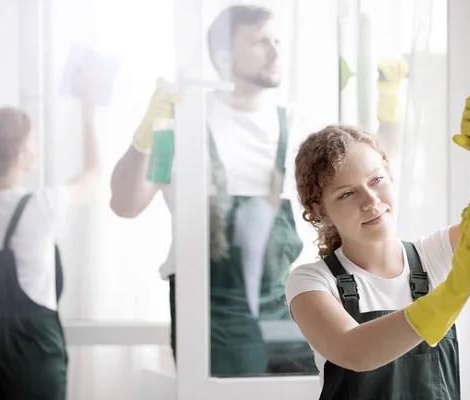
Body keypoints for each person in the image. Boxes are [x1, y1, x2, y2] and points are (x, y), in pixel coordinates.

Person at [110, 4, 408, 377]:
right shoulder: (183, 123)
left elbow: (375, 164)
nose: (274, 50)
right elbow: (125, 203)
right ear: (223, 56)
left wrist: (391, 109)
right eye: (258, 42)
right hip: (211, 308)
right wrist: (145, 138)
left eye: (277, 40)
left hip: (281, 301)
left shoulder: (295, 124)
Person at [285, 90, 470, 398]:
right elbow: (354, 350)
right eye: (346, 194)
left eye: (376, 180)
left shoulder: (434, 254)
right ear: (319, 211)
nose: (371, 201)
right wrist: (452, 292)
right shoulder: (311, 282)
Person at [0, 72, 100, 398]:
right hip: (33, 354)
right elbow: (93, 171)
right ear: (21, 155)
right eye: (33, 141)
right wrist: (88, 108)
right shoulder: (43, 205)